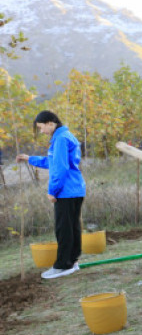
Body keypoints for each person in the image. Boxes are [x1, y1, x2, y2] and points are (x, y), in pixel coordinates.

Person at [16, 110, 86, 279]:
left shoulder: (60, 139)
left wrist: (52, 191)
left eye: (41, 128)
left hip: (66, 191)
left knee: (63, 229)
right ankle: (72, 261)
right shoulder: (64, 136)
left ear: (50, 122)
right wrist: (29, 158)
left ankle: (62, 265)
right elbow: (52, 162)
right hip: (76, 189)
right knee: (72, 227)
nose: (41, 131)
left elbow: (60, 168)